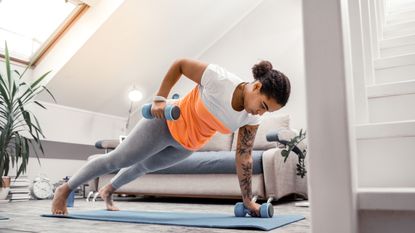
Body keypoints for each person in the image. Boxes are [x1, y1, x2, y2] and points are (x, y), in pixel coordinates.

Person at [51, 58, 291, 216]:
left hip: (187, 145)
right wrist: (159, 98)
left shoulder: (252, 117)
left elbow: (244, 158)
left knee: (144, 167)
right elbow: (181, 65)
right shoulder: (220, 80)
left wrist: (248, 201)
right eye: (263, 106)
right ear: (257, 87)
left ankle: (109, 190)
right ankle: (65, 188)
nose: (261, 113)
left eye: (267, 111)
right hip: (164, 123)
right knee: (118, 160)